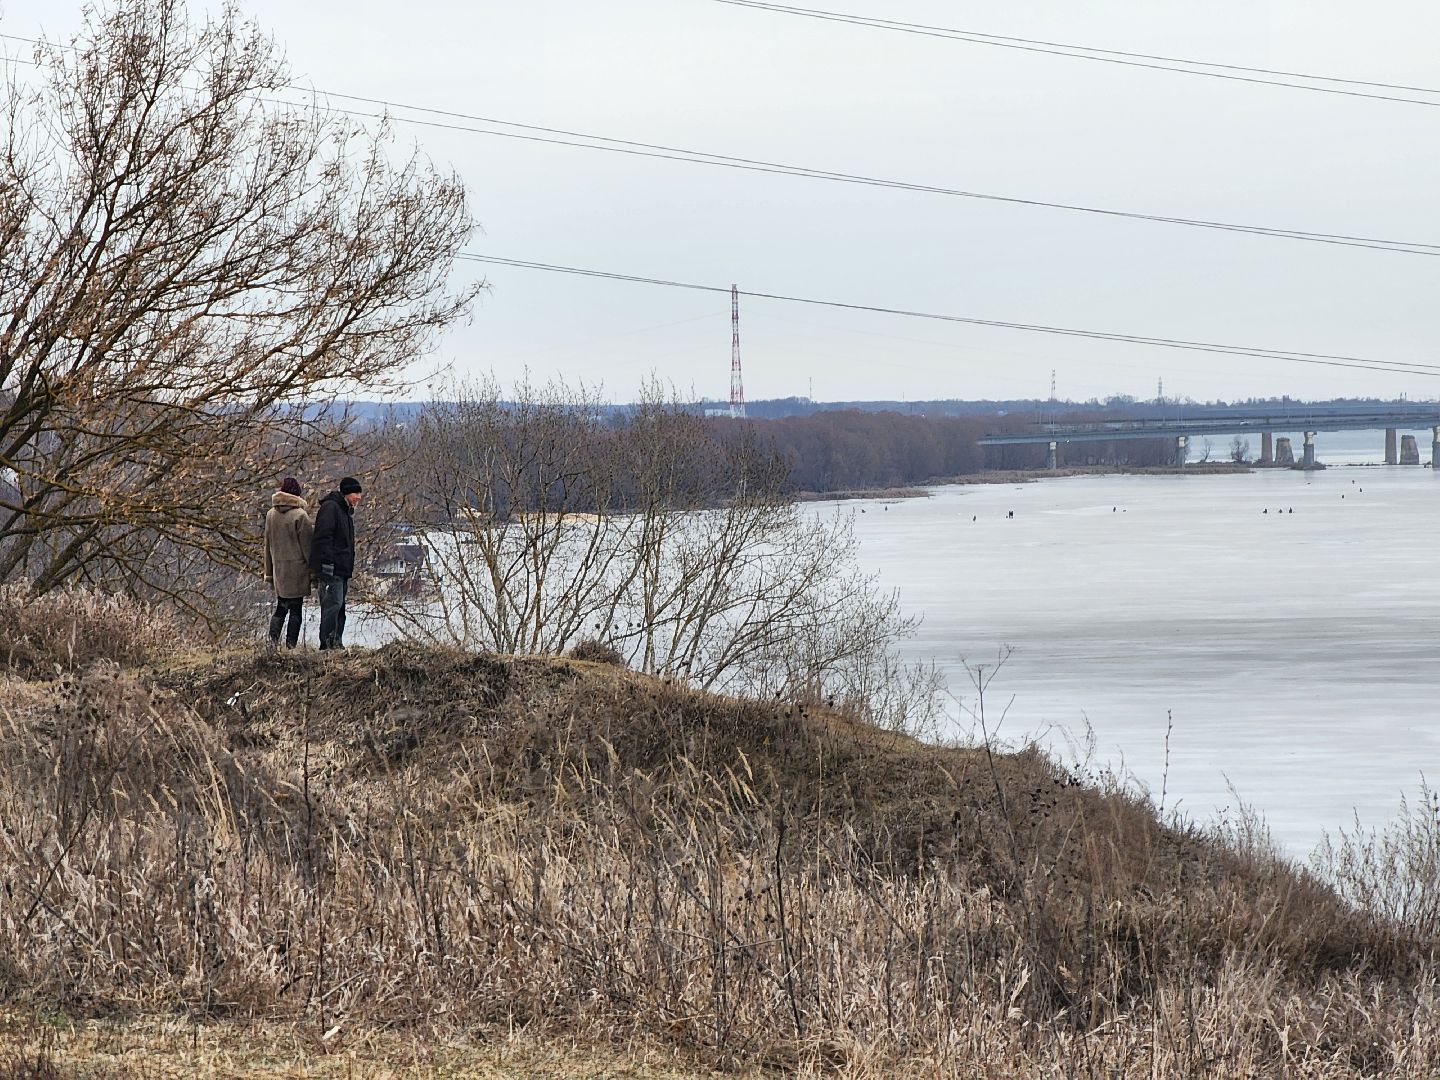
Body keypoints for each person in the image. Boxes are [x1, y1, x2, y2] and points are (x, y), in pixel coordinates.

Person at [311, 476, 363, 650]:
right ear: (347, 493)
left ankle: (336, 642)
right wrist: (326, 564)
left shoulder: (344, 511)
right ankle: (327, 644)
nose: (359, 497)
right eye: (356, 493)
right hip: (332, 569)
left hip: (342, 569)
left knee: (339, 607)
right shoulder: (331, 508)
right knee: (332, 606)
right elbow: (322, 538)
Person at [262, 477, 314, 648]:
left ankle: (272, 643)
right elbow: (308, 547)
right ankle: (291, 646)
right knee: (296, 609)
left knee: (281, 608)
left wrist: (268, 572)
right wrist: (314, 572)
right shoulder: (300, 515)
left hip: (279, 570)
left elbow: (267, 545)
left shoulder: (271, 515)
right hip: (297, 570)